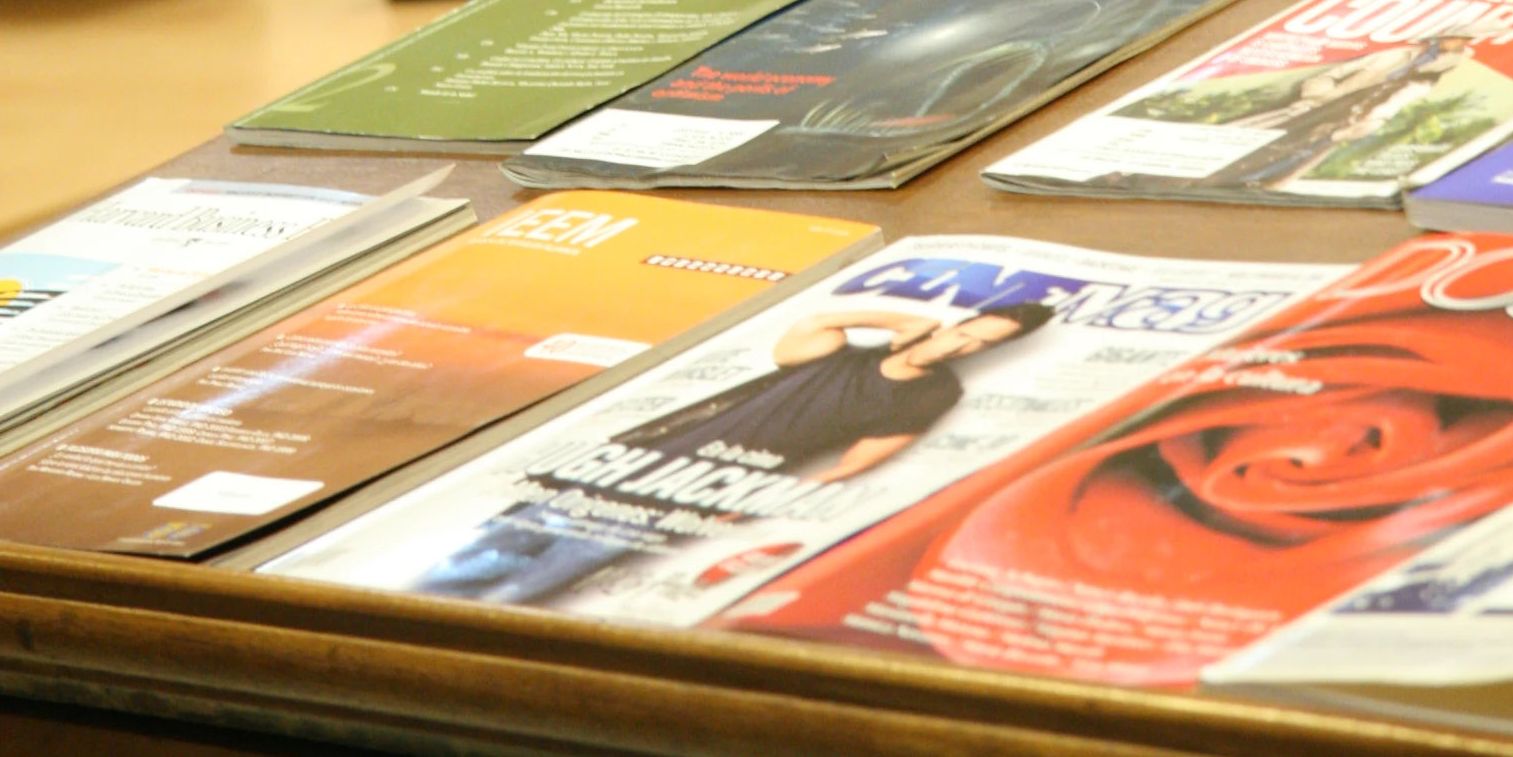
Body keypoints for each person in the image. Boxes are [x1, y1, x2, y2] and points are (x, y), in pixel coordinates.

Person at [411, 299, 1054, 608]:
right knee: (454, 570)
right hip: (613, 468)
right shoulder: (843, 354)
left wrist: (752, 508)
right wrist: (893, 322)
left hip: (682, 499)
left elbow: (855, 466)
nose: (960, 348)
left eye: (979, 346)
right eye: (966, 332)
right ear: (954, 323)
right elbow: (808, 328)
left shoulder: (931, 398)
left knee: (522, 593)